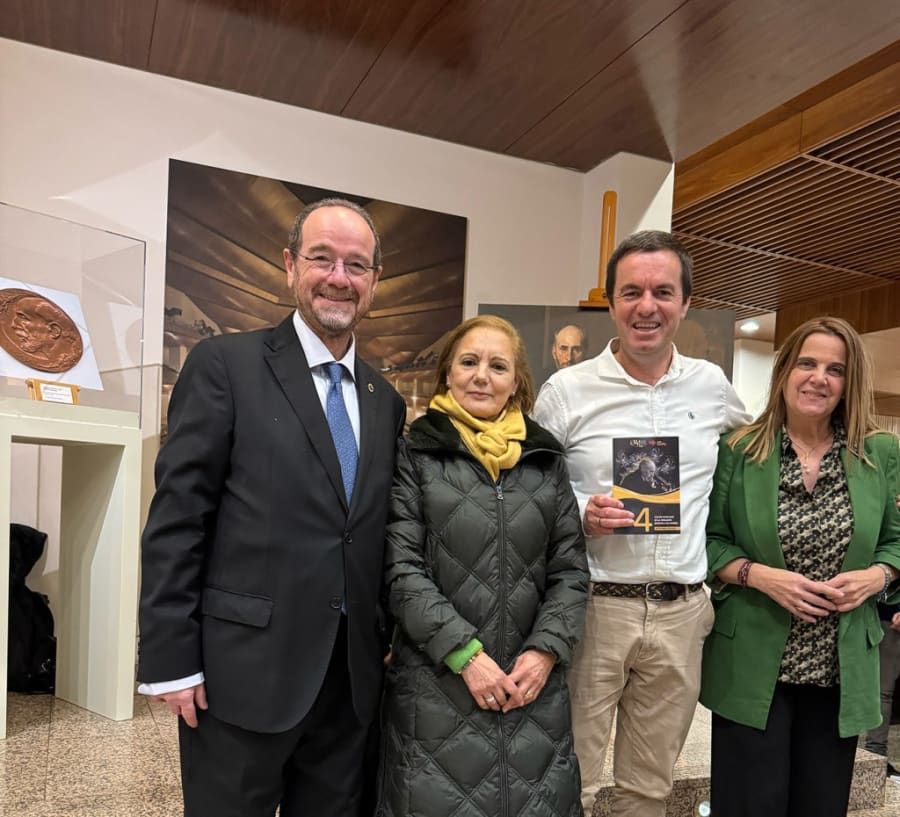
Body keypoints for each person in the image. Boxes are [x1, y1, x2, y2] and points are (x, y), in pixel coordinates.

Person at [137, 198, 406, 817]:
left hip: (350, 686)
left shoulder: (385, 401)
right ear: (290, 266)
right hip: (241, 679)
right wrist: (172, 660)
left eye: (357, 265)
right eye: (322, 259)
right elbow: (179, 519)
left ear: (373, 281)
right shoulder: (226, 367)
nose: (339, 277)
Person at [533, 230, 751, 817]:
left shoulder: (712, 388)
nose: (646, 306)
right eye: (631, 292)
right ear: (610, 303)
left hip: (682, 612)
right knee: (563, 780)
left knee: (648, 790)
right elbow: (527, 495)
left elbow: (756, 467)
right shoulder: (565, 392)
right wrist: (582, 513)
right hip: (593, 608)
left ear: (685, 302)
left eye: (662, 291)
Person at [376, 315, 589, 817]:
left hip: (531, 690)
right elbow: (401, 569)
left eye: (498, 366)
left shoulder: (546, 460)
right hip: (436, 689)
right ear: (448, 372)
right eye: (469, 362)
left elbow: (571, 571)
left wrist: (544, 654)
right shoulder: (414, 452)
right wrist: (466, 657)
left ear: (516, 382)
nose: (481, 376)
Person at [701, 316, 900, 817]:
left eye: (835, 369)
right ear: (785, 370)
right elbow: (709, 542)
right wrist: (759, 576)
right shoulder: (739, 450)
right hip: (751, 662)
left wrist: (877, 577)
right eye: (807, 363)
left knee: (821, 806)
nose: (819, 378)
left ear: (848, 383)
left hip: (839, 668)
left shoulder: (879, 453)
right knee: (748, 806)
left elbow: (896, 543)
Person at [865, 601, 900, 777]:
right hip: (886, 615)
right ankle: (875, 755)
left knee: (883, 692)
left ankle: (875, 756)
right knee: (883, 691)